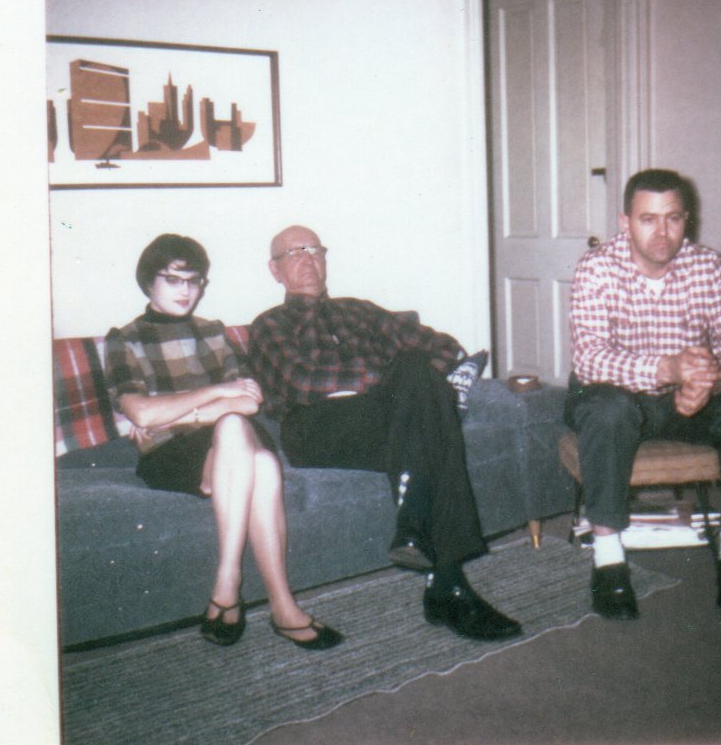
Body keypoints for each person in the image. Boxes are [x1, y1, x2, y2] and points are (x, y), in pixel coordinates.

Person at [247, 224, 521, 642]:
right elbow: (301, 382)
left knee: (417, 381)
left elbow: (446, 349)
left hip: (389, 418)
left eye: (315, 250)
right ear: (275, 270)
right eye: (294, 253)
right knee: (420, 394)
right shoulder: (269, 325)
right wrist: (386, 381)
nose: (307, 259)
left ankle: (433, 561)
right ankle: (441, 576)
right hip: (316, 426)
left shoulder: (362, 311)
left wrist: (407, 382)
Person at [105, 233, 341, 651]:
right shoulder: (127, 339)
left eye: (193, 281)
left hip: (230, 436)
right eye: (173, 280)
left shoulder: (213, 333)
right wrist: (216, 392)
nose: (185, 290)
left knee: (235, 427)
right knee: (261, 464)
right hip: (172, 454)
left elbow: (248, 401)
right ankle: (279, 606)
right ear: (148, 283)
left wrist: (173, 413)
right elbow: (139, 412)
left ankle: (229, 586)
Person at [565, 169, 721, 618]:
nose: (662, 233)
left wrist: (711, 380)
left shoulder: (708, 266)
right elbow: (589, 357)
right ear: (625, 223)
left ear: (687, 220)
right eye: (648, 219)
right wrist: (668, 369)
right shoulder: (597, 267)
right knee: (607, 410)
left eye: (673, 218)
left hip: (690, 399)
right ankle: (608, 562)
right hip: (619, 396)